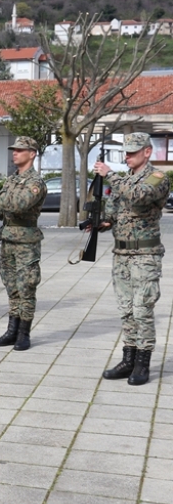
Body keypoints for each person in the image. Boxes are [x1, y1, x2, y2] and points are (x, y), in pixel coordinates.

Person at [93, 133, 169, 384]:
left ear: (147, 152)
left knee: (142, 309)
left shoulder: (156, 178)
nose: (127, 156)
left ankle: (142, 364)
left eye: (132, 152)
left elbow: (138, 196)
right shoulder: (124, 180)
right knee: (126, 310)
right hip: (122, 254)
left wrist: (110, 174)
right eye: (125, 152)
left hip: (145, 255)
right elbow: (115, 212)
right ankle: (128, 358)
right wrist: (102, 223)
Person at [0, 136, 47, 351]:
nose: (15, 153)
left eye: (20, 150)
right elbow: (1, 207)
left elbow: (18, 205)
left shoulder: (35, 182)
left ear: (32, 154)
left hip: (26, 242)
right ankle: (12, 330)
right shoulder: (12, 180)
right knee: (11, 286)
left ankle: (23, 333)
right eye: (14, 149)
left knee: (26, 287)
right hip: (8, 239)